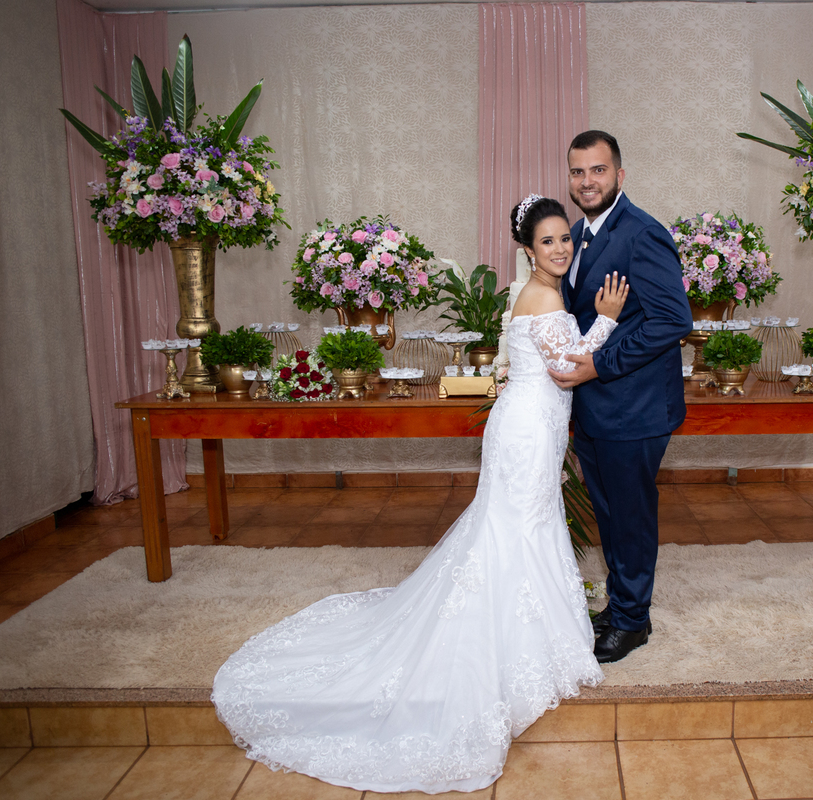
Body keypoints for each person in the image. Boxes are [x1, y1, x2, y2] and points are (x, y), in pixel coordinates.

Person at [211, 195, 629, 794]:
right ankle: (509, 641)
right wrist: (607, 319)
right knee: (515, 527)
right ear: (527, 249)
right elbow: (568, 367)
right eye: (548, 242)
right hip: (527, 431)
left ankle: (535, 632)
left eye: (566, 238)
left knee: (521, 524)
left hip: (531, 425)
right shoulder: (542, 297)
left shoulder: (545, 292)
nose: (560, 249)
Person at [552, 130, 693, 664]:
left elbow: (672, 321)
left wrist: (599, 365)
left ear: (619, 174)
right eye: (578, 171)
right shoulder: (576, 234)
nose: (587, 181)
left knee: (630, 516)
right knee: (610, 513)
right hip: (596, 408)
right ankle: (622, 606)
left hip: (635, 407)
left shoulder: (642, 233)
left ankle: (633, 622)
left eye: (598, 170)